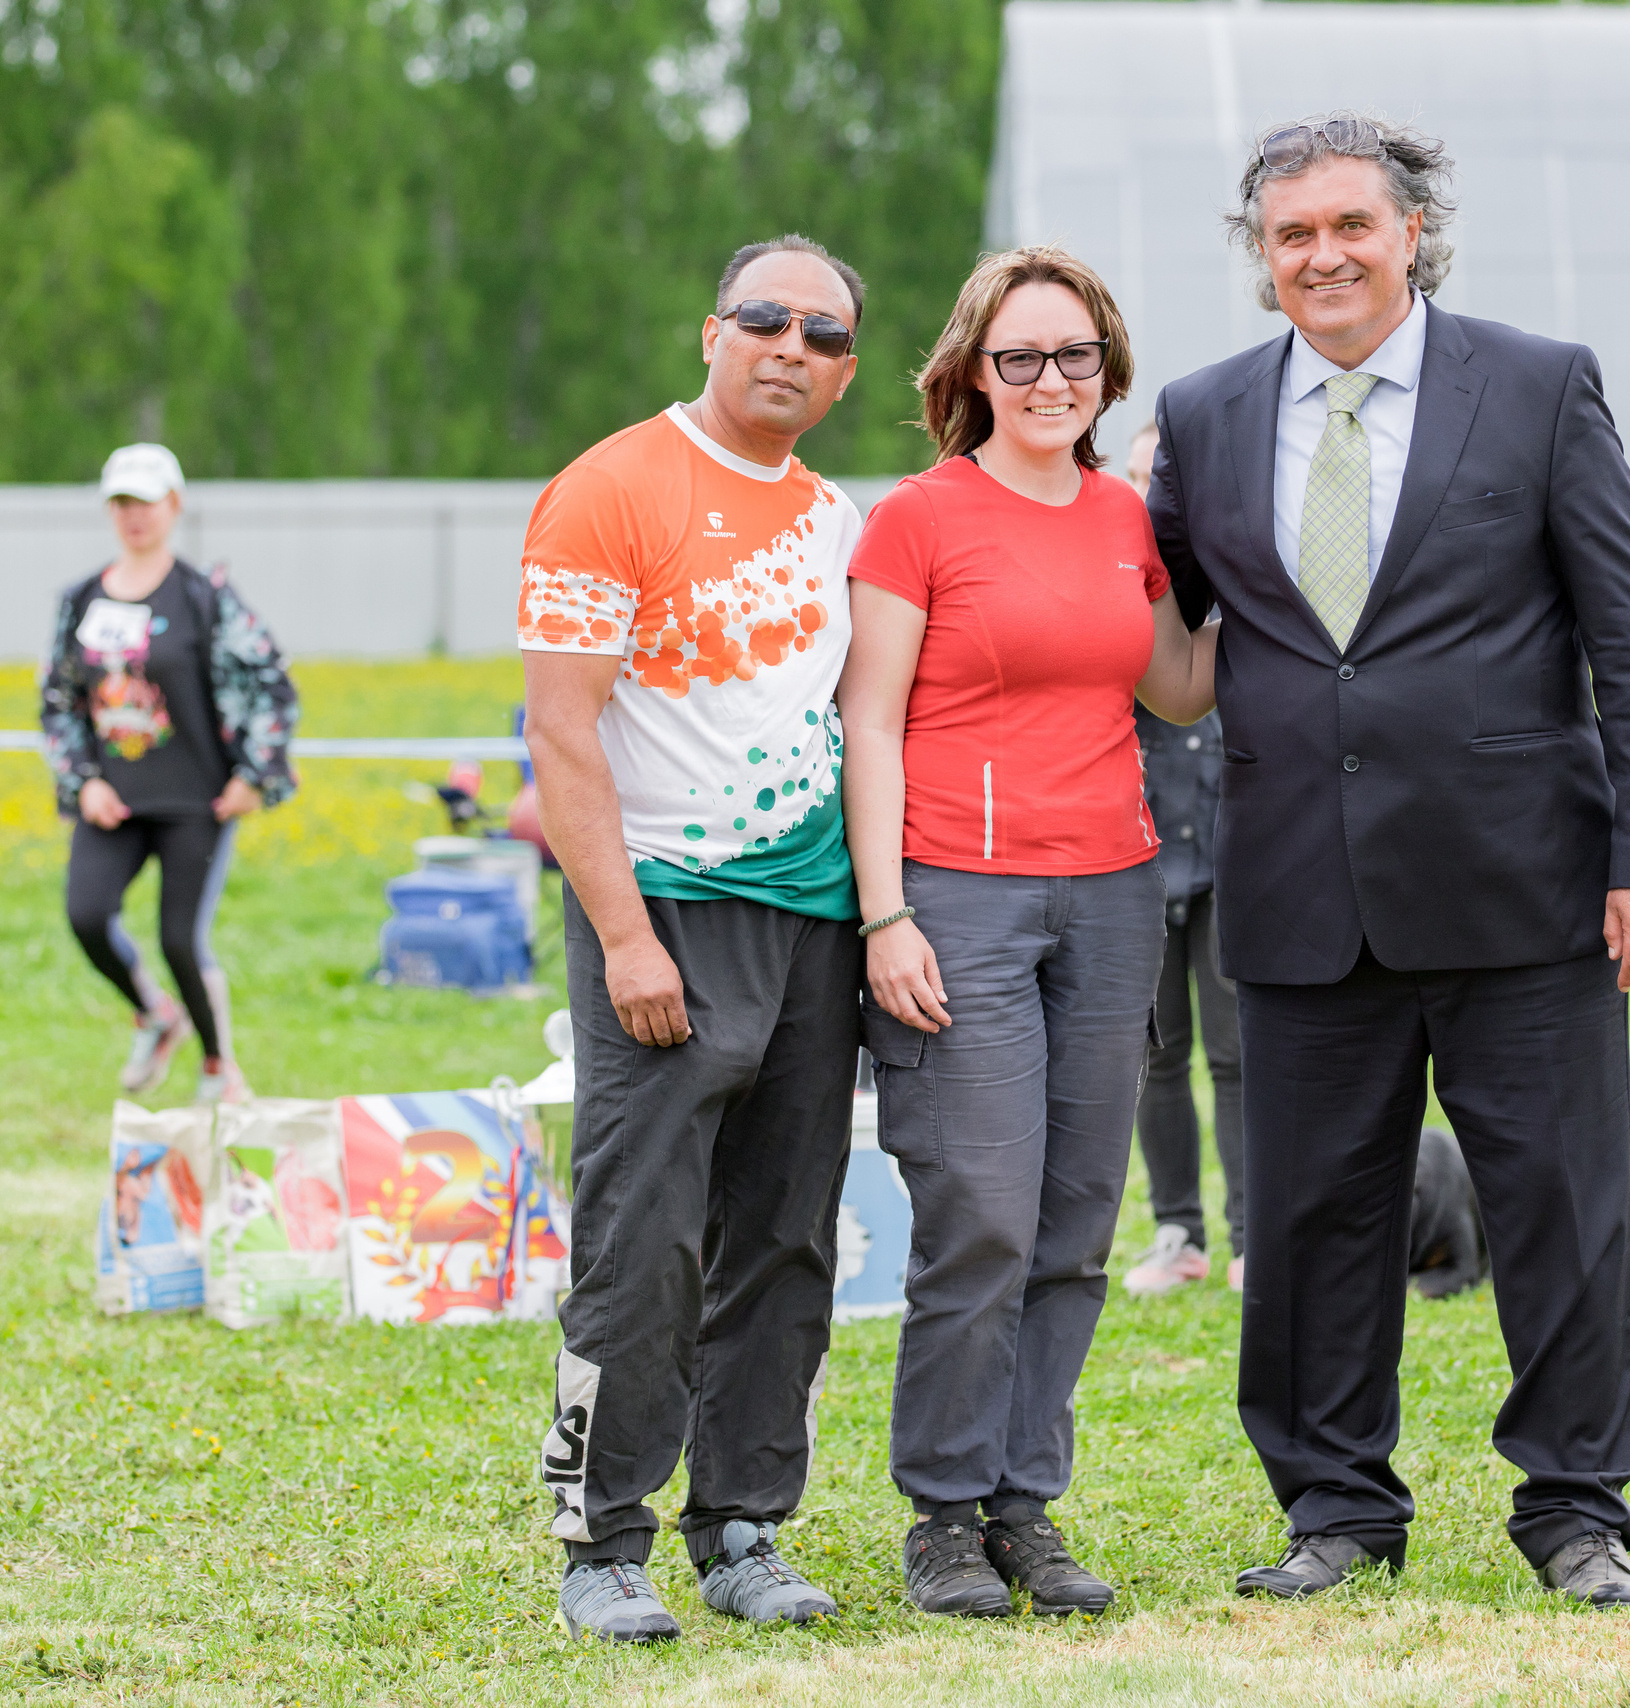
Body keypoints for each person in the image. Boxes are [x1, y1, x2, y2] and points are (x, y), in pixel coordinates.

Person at [1145, 113, 1630, 1608]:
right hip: (1299, 893)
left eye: (1349, 226)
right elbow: (1159, 630)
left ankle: (1576, 1511)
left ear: (1411, 233)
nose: (1322, 255)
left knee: (1561, 1208)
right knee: (1316, 1215)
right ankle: (1335, 1508)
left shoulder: (1535, 385)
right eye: (1291, 235)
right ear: (1262, 259)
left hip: (1523, 882)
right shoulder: (1198, 419)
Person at [839, 245, 1214, 1619]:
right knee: (983, 1215)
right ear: (973, 373)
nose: (1049, 380)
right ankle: (941, 1515)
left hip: (1114, 895)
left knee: (1073, 1221)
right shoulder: (919, 521)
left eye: (1074, 357)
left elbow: (1176, 688)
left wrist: (1250, 574)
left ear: (1108, 369)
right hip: (955, 894)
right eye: (1020, 358)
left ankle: (1024, 1506)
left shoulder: (1129, 518)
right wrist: (887, 913)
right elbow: (867, 720)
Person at [520, 234, 868, 1644]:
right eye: (766, 319)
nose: (792, 346)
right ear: (709, 332)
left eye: (827, 334)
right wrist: (623, 936)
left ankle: (741, 1526)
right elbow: (560, 728)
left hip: (816, 922)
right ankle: (602, 1542)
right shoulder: (609, 489)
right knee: (640, 1242)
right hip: (663, 912)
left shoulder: (838, 518)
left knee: (784, 1238)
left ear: (846, 372)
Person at [40, 443, 298, 1107]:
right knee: (87, 914)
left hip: (197, 802)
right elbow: (60, 699)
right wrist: (82, 782)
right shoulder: (80, 601)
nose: (134, 516)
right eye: (121, 503)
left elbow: (273, 684)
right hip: (114, 801)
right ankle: (156, 1016)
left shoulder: (204, 597)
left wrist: (255, 773)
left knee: (181, 939)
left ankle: (219, 1069)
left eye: (146, 502)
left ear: (174, 507)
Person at [1118, 418, 1249, 1297]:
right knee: (1156, 1053)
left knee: (1240, 1052)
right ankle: (1178, 1232)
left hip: (1238, 856)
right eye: (1133, 477)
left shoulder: (1243, 583)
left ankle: (1253, 1236)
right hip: (1142, 857)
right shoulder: (1108, 595)